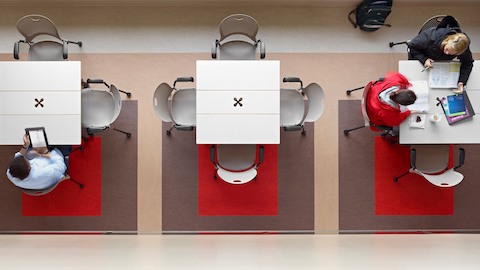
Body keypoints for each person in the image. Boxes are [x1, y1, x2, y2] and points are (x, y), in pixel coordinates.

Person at [407, 16, 474, 93]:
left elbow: (468, 63)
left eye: (452, 54)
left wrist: (461, 82)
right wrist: (424, 59)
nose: (447, 53)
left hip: (440, 68)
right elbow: (411, 46)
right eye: (447, 49)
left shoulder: (462, 46)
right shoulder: (430, 36)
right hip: (422, 60)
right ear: (447, 41)